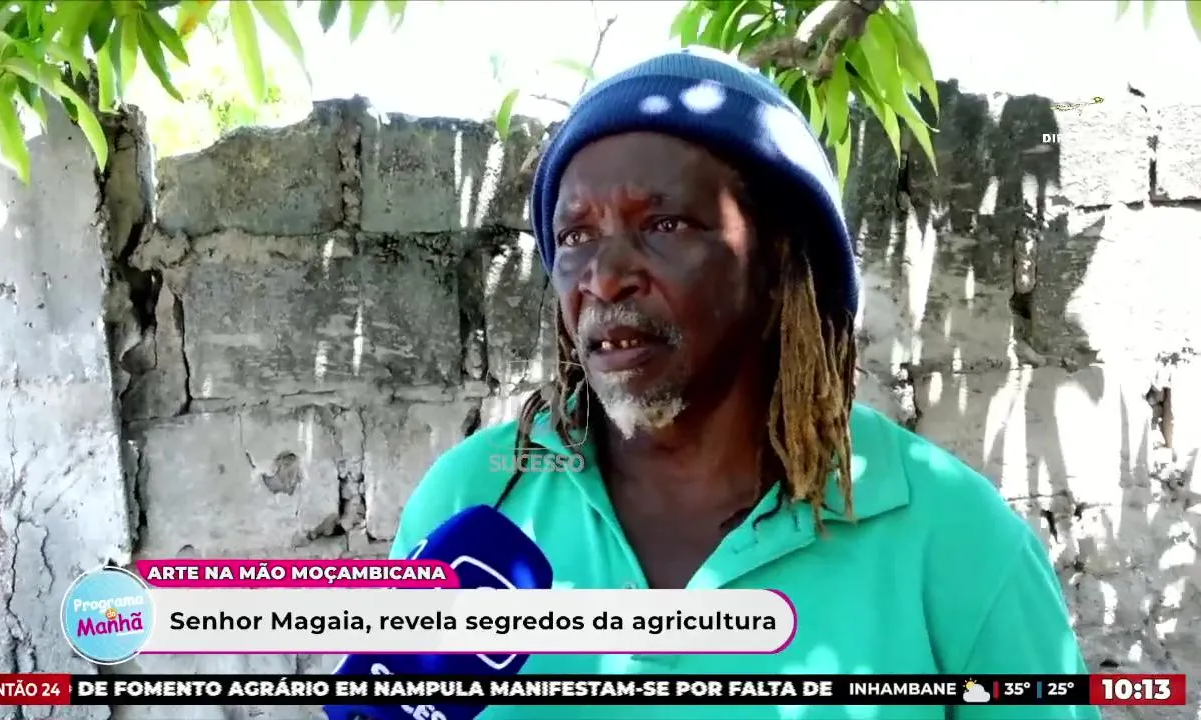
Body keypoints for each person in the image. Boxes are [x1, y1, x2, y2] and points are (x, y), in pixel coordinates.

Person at [390, 47, 1099, 720]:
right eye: (576, 237)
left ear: (778, 266)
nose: (604, 278)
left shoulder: (957, 542)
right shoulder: (471, 501)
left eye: (664, 223)